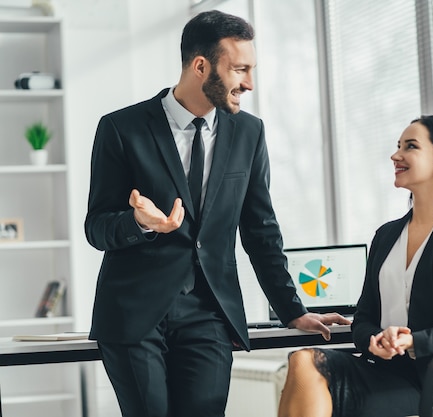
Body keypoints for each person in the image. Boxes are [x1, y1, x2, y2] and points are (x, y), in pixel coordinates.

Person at [84, 10, 349, 417]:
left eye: (251, 69)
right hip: (134, 314)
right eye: (239, 69)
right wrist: (139, 222)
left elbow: (261, 230)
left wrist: (292, 310)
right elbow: (97, 227)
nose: (249, 83)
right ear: (201, 66)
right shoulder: (122, 128)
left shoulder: (249, 132)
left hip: (208, 314)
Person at [277, 115, 433, 417]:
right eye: (397, 146)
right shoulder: (386, 235)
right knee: (302, 361)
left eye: (410, 146)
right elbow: (363, 319)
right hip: (383, 370)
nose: (395, 155)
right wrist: (374, 340)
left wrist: (414, 341)